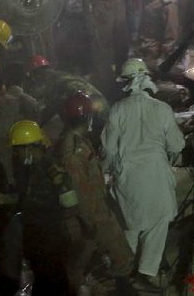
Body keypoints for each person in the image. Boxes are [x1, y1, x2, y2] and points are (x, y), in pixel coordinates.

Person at [102, 59, 185, 289]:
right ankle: (146, 271)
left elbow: (108, 150)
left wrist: (103, 173)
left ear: (125, 83)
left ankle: (125, 268)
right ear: (147, 79)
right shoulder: (162, 109)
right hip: (156, 176)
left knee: (130, 224)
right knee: (157, 225)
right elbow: (177, 146)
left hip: (127, 178)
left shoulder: (117, 110)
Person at [0, 120, 83, 294]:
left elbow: (71, 207)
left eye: (17, 149)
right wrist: (5, 199)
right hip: (34, 235)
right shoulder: (30, 169)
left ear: (28, 148)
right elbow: (30, 198)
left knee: (52, 281)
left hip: (49, 238)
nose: (16, 154)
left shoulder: (54, 171)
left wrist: (50, 224)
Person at [54, 91, 134, 292]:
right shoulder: (73, 148)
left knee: (82, 258)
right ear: (88, 117)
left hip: (93, 209)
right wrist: (90, 221)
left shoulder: (78, 141)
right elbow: (79, 188)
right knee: (119, 255)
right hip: (92, 212)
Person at [84, 0, 130, 97]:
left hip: (118, 5)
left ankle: (122, 76)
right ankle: (105, 83)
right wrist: (89, 19)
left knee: (122, 43)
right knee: (102, 46)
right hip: (101, 7)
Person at [131, 0, 180, 71]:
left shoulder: (167, 1)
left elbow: (171, 32)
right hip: (144, 43)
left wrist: (163, 57)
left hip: (155, 51)